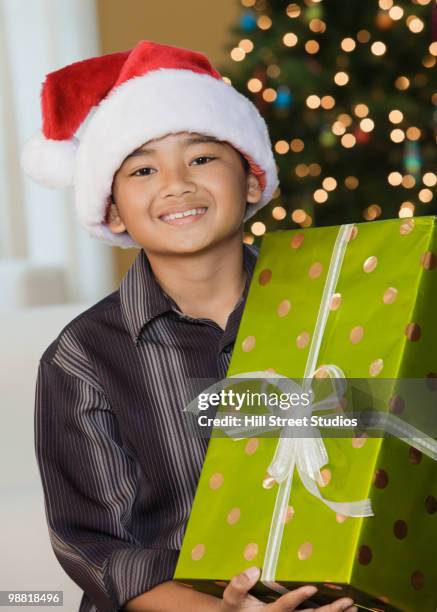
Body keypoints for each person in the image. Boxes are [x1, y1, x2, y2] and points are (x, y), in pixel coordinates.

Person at [22, 41, 357, 612]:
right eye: (144, 169)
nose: (176, 184)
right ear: (113, 210)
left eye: (201, 158)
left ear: (251, 181)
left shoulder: (336, 311)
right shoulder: (82, 357)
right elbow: (100, 548)